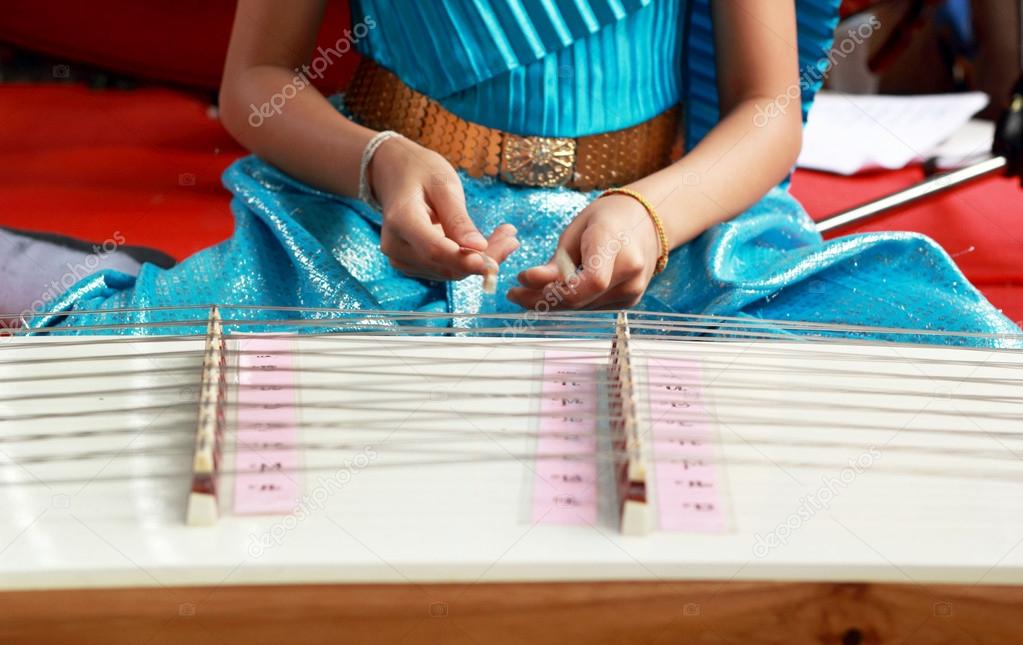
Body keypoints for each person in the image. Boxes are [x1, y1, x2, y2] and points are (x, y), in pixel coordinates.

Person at [23, 0, 1021, 344]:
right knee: (133, 361)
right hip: (390, 228)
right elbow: (259, 82)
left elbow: (767, 111)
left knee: (942, 353)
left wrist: (647, 211)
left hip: (660, 228)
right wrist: (377, 164)